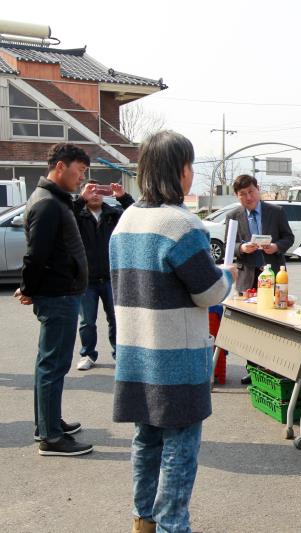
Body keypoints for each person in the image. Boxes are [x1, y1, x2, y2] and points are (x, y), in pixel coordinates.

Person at [109, 130, 234, 533]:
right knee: (180, 448)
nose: (192, 174)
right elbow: (209, 292)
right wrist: (228, 275)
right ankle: (172, 525)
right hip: (176, 357)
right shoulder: (181, 224)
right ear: (179, 170)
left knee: (146, 441)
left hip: (136, 350)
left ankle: (143, 519)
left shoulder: (126, 220)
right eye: (191, 165)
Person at [15, 143, 93, 456]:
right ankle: (50, 436)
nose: (81, 178)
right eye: (79, 171)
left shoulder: (55, 200)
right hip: (58, 295)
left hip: (62, 292)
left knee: (50, 364)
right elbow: (36, 255)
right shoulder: (47, 203)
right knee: (53, 365)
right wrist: (28, 287)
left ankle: (49, 424)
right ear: (60, 167)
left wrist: (79, 202)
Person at [226, 173, 294, 384]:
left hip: (273, 273)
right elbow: (231, 246)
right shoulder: (233, 216)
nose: (248, 197)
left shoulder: (276, 212)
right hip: (248, 275)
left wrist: (275, 247)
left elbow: (288, 237)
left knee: (274, 322)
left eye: (251, 192)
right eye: (243, 194)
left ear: (258, 189)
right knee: (250, 325)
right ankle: (253, 368)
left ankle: (273, 367)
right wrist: (243, 248)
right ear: (238, 196)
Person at [74, 179, 134, 371]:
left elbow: (135, 214)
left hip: (111, 276)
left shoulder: (113, 214)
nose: (95, 194)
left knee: (116, 318)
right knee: (87, 321)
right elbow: (65, 214)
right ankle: (87, 354)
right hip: (86, 279)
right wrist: (80, 200)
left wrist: (123, 197)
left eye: (100, 190)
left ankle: (119, 353)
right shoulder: (78, 216)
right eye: (90, 190)